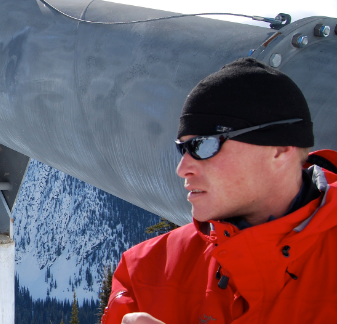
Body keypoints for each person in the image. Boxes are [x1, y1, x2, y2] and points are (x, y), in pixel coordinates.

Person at [101, 57, 337, 324]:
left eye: (203, 146)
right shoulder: (145, 271)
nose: (182, 168)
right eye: (182, 148)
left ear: (281, 148)